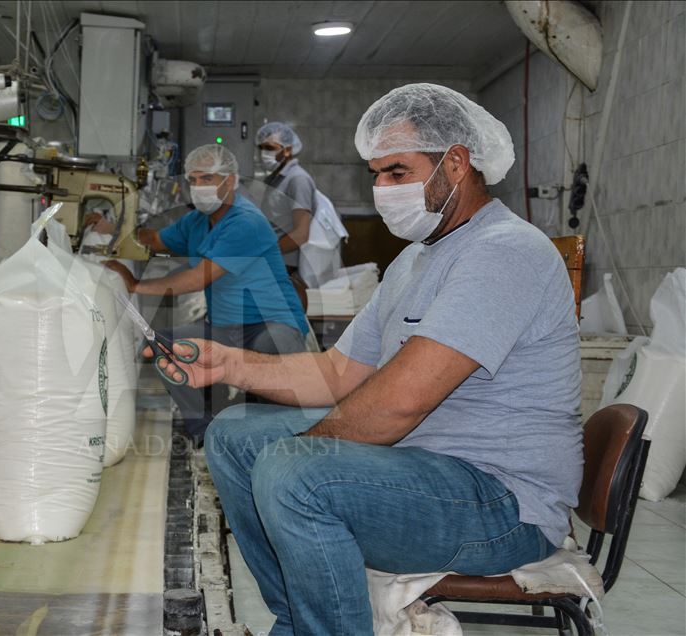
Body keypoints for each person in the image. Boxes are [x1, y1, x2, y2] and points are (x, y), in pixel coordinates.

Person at [153, 84, 581, 634]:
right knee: (233, 435)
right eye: (376, 174)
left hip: (501, 504)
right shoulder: (414, 262)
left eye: (397, 172)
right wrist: (228, 364)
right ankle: (300, 619)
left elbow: (400, 404)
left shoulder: (502, 251)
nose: (382, 190)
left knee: (293, 471)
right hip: (427, 467)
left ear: (456, 163)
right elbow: (337, 372)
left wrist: (296, 456)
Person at [105, 144, 308, 444]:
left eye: (207, 179)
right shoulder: (197, 222)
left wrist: (136, 285)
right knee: (164, 346)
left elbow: (198, 278)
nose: (199, 187)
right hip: (226, 328)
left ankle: (276, 435)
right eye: (194, 180)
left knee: (267, 358)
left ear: (230, 180)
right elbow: (155, 240)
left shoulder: (246, 222)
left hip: (271, 325)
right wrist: (111, 228)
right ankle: (205, 431)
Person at [256, 122, 318, 272]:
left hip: (285, 264)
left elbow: (301, 234)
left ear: (288, 150)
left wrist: (266, 253)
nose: (264, 153)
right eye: (261, 147)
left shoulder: (297, 179)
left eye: (270, 148)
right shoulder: (276, 178)